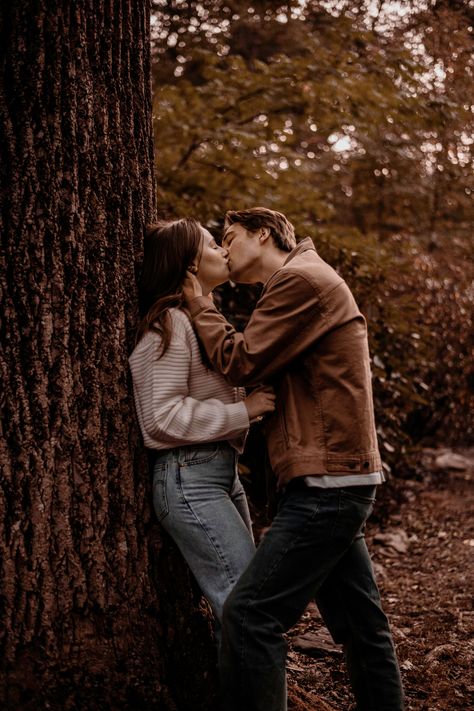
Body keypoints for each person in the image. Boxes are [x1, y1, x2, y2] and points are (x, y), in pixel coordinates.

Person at [183, 207, 405, 711]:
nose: (224, 248)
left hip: (328, 482)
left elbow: (242, 360)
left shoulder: (299, 282)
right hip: (336, 479)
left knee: (249, 616)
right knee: (361, 629)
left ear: (263, 234)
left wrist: (198, 303)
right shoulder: (304, 282)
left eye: (231, 237)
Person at [129, 218, 275, 629]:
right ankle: (250, 696)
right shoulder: (172, 323)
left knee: (248, 604)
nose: (225, 251)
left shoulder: (198, 318)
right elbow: (161, 417)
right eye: (214, 246)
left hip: (215, 473)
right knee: (249, 609)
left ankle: (243, 692)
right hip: (189, 476)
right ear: (190, 266)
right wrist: (244, 411)